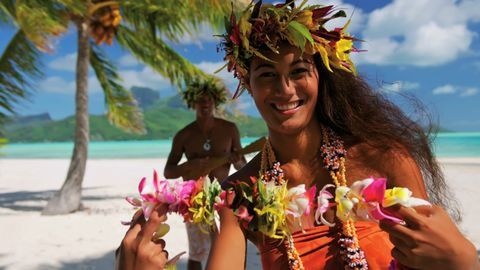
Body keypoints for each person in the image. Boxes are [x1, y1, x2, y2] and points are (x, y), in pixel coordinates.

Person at [116, 1, 479, 270]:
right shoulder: (240, 193)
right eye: (267, 75)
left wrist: (464, 260)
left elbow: (433, 255)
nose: (285, 89)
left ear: (321, 77)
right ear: (248, 84)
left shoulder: (384, 158)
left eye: (299, 70)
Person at [163, 77, 246, 270]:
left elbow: (242, 167)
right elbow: (169, 172)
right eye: (201, 100)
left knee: (228, 245)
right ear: (194, 103)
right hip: (194, 199)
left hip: (224, 197)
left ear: (215, 102)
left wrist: (237, 161)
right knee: (196, 252)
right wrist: (191, 165)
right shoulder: (184, 135)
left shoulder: (229, 129)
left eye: (209, 100)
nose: (205, 104)